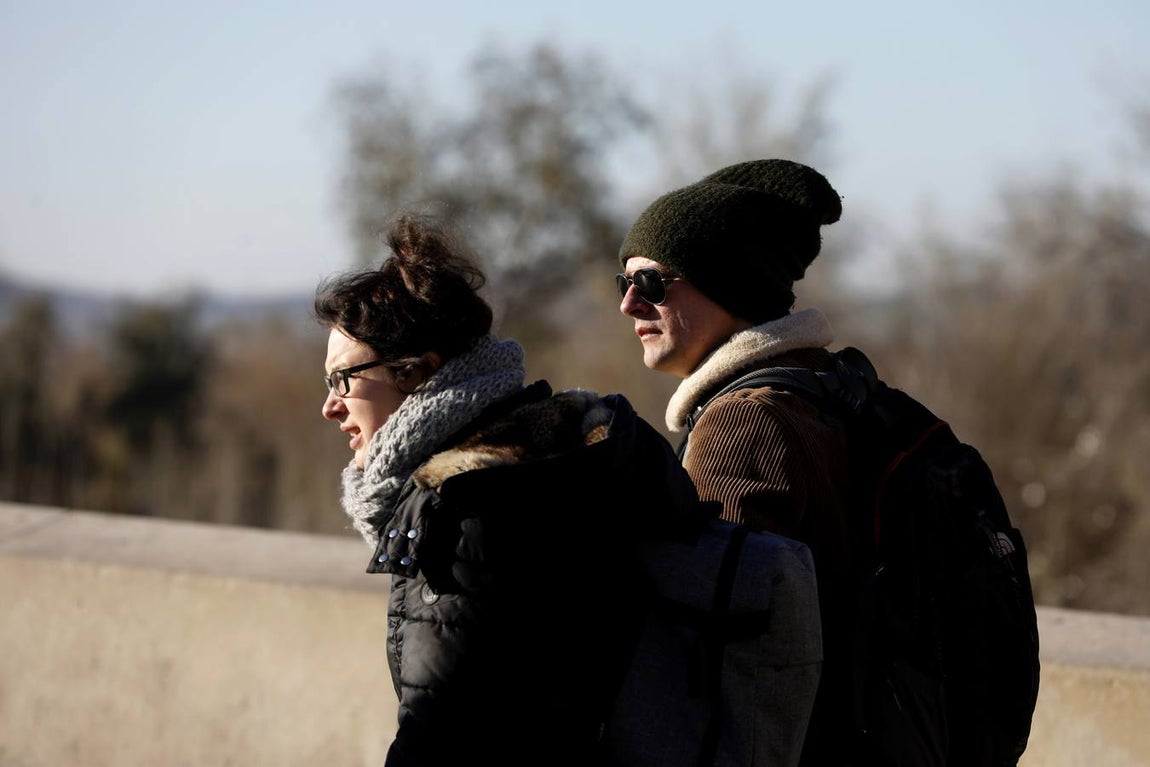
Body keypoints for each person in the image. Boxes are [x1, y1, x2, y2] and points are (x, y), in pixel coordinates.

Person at [316, 213, 703, 767]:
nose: (330, 406)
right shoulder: (556, 455)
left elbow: (443, 737)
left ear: (417, 370)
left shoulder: (466, 503)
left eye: (343, 380)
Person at [616, 158, 855, 766]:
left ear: (731, 284)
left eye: (650, 284)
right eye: (622, 281)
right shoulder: (836, 388)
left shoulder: (743, 423)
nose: (628, 306)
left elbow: (713, 656)